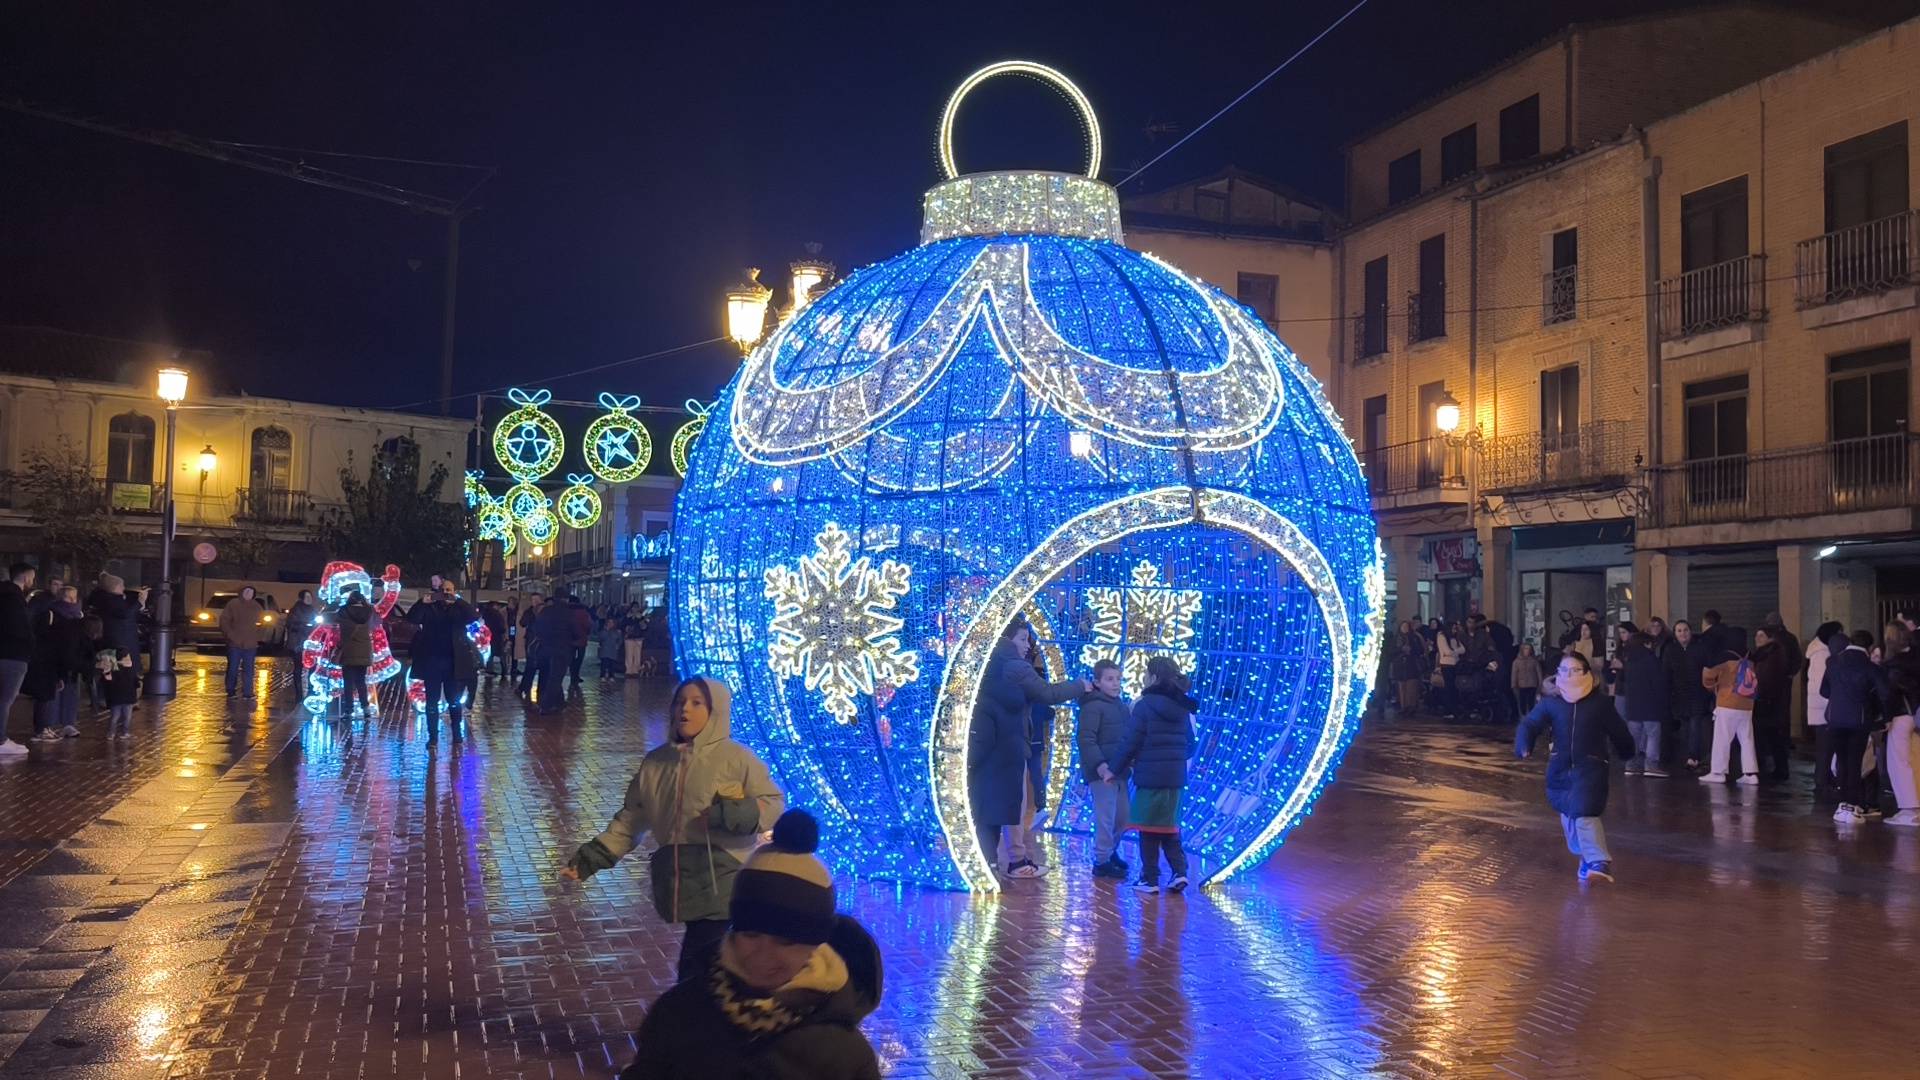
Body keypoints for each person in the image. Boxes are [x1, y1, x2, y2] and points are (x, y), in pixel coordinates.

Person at [619, 809, 882, 1080]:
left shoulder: (844, 1056)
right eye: (751, 935)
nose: (763, 955)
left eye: (786, 941)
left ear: (814, 945)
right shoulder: (679, 1013)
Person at [563, 675, 785, 982]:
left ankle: (694, 1006)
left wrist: (729, 814)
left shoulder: (737, 759)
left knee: (699, 957)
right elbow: (632, 818)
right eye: (680, 702)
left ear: (716, 712)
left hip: (723, 873)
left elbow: (772, 803)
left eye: (697, 703)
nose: (685, 710)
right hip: (679, 875)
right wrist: (591, 858)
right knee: (708, 959)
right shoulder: (656, 763)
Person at [968, 621, 1087, 879]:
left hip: (992, 749)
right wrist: (1080, 685)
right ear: (1008, 639)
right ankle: (1004, 865)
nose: (1027, 645)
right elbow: (1049, 693)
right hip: (1006, 750)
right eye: (1023, 639)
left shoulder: (986, 663)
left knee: (991, 812)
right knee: (1003, 810)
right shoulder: (1015, 667)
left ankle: (992, 865)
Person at [1515, 651, 1635, 883]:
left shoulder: (1599, 704)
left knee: (1584, 811)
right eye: (1564, 670)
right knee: (1569, 814)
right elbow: (1530, 723)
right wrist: (1524, 743)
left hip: (1591, 766)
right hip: (1560, 768)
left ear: (1587, 672)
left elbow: (1618, 730)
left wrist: (1626, 751)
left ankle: (1599, 861)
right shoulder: (1552, 702)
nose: (1569, 675)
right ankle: (1586, 859)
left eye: (1575, 670)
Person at [1110, 655, 1198, 895]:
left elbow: (1131, 741)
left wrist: (1114, 769)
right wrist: (1175, 759)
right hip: (1176, 778)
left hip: (1150, 777)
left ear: (1154, 677)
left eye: (1146, 673)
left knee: (1147, 828)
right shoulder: (1183, 706)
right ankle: (1179, 872)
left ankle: (1149, 878)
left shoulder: (1144, 705)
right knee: (1169, 826)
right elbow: (1191, 744)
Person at [1822, 629, 1892, 824]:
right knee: (1854, 763)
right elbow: (1885, 694)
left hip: (1835, 719)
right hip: (1859, 721)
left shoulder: (1832, 662)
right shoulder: (1870, 667)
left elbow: (1824, 690)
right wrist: (1884, 716)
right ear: (1869, 647)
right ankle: (1852, 806)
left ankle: (1842, 804)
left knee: (1841, 761)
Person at [1076, 658, 1131, 880]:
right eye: (1109, 679)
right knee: (1106, 817)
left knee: (1122, 817)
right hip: (1102, 773)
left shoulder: (1121, 707)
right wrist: (1100, 765)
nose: (1115, 683)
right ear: (1097, 682)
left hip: (1120, 771)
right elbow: (1086, 740)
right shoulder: (1092, 707)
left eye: (1118, 678)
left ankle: (1110, 851)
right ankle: (1101, 860)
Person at [408, 581, 478, 738]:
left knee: (454, 700)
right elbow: (412, 618)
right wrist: (422, 603)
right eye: (442, 590)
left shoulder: (458, 608)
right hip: (432, 661)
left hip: (453, 662)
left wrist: (457, 601)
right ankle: (433, 736)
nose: (445, 593)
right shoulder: (429, 607)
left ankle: (457, 734)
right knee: (432, 701)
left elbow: (473, 616)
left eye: (449, 590)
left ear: (454, 591)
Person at [27, 586, 90, 743]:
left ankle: (68, 723)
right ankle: (49, 724)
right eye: (69, 597)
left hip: (71, 658)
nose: (72, 601)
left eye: (74, 597)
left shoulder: (79, 615)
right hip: (53, 658)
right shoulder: (51, 614)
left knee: (70, 689)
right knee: (53, 692)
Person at [1699, 629, 1760, 785]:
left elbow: (1709, 674)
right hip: (1747, 704)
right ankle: (1750, 774)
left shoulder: (1725, 656)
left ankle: (1718, 772)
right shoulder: (1749, 657)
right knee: (1747, 739)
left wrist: (1711, 686)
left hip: (1727, 703)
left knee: (1722, 738)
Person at [1880, 622, 1920, 827]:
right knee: (1914, 760)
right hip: (1917, 713)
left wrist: (1886, 718)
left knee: (1899, 762)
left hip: (1901, 714)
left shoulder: (1893, 665)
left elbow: (1889, 694)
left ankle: (1909, 809)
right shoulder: (1916, 657)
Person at [1615, 631, 1669, 778]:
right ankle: (1651, 765)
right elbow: (1658, 683)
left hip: (1632, 705)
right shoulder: (1651, 659)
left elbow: (1623, 679)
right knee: (1652, 734)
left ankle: (1631, 765)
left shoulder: (1629, 660)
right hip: (1650, 704)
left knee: (1634, 736)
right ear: (1646, 643)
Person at [1750, 626, 1796, 783]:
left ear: (1770, 638)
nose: (1757, 638)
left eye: (1761, 635)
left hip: (1769, 702)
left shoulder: (1771, 655)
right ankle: (1775, 768)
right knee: (1771, 737)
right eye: (1757, 635)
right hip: (1768, 702)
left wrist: (1761, 695)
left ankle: (1777, 769)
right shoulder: (1764, 654)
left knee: (1772, 737)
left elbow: (1768, 680)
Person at [0, 563, 36, 757]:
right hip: (14, 655)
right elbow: (21, 628)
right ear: (25, 577)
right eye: (32, 577)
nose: (33, 581)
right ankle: (1, 740)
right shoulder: (15, 598)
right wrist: (29, 646)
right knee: (5, 699)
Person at [1805, 622, 1843, 802]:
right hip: (1823, 708)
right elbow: (1823, 684)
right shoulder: (1822, 654)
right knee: (1825, 748)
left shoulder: (1819, 652)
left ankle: (1824, 779)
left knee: (1825, 747)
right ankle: (1822, 782)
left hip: (1820, 707)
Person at [1675, 619, 1716, 774]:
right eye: (1679, 630)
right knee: (1685, 728)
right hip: (1679, 696)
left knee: (1695, 726)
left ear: (1691, 632)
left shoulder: (1700, 649)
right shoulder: (1672, 650)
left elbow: (1708, 670)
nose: (1683, 633)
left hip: (1698, 694)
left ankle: (1693, 757)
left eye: (1685, 630)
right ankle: (1690, 755)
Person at [86, 573, 142, 680]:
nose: (124, 588)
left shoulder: (105, 599)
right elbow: (125, 614)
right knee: (122, 674)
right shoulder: (111, 601)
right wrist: (139, 602)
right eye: (122, 585)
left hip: (119, 640)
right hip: (119, 642)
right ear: (115, 587)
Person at [218, 585, 267, 699]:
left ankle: (248, 692)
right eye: (247, 592)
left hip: (250, 644)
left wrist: (257, 637)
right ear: (242, 592)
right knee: (233, 668)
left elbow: (263, 623)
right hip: (235, 643)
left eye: (251, 592)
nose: (248, 594)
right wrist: (230, 635)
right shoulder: (233, 604)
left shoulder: (256, 606)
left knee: (249, 669)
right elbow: (224, 621)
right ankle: (231, 690)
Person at [531, 595, 575, 714]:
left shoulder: (546, 612)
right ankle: (546, 705)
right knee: (556, 677)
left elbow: (537, 629)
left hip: (546, 648)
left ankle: (559, 702)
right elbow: (575, 631)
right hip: (562, 648)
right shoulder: (568, 613)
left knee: (552, 676)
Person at [335, 589, 376, 718]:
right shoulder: (369, 611)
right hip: (364, 650)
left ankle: (349, 710)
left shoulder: (344, 611)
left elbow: (335, 621)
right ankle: (366, 708)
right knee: (361, 681)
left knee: (348, 682)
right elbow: (376, 625)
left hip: (349, 649)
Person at [96, 631, 139, 739]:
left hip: (117, 699)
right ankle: (123, 732)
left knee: (115, 716)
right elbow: (135, 682)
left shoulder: (114, 669)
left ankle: (112, 733)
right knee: (125, 717)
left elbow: (108, 681)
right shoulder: (130, 670)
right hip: (127, 698)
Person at [1390, 620, 1427, 714]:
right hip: (1400, 665)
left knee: (1411, 687)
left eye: (1406, 627)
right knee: (1401, 687)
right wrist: (1401, 649)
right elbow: (1392, 651)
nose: (1405, 628)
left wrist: (1411, 650)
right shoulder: (1396, 638)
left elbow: (1420, 650)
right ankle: (1403, 706)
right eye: (1403, 627)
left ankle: (1411, 706)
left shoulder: (1414, 638)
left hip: (1411, 664)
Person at [516, 593, 545, 697]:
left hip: (540, 641)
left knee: (537, 665)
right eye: (533, 600)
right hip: (532, 641)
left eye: (537, 599)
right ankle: (525, 687)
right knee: (531, 665)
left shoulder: (545, 611)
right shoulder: (529, 612)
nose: (535, 602)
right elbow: (522, 623)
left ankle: (528, 688)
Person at [1433, 621, 1464, 719]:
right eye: (1453, 628)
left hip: (1455, 664)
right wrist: (1456, 652)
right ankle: (1449, 710)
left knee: (1454, 687)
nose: (1455, 630)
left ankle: (1454, 709)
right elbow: (1447, 651)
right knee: (1448, 687)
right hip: (1447, 665)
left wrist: (1454, 652)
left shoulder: (1454, 638)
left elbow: (1463, 649)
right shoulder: (1442, 637)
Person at [567, 594, 593, 689]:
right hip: (581, 639)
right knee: (579, 658)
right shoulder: (583, 612)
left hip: (569, 640)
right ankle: (576, 675)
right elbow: (588, 625)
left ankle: (573, 676)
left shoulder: (566, 611)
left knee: (571, 659)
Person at [480, 601, 509, 680]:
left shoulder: (485, 614)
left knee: (490, 655)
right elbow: (501, 627)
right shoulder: (497, 614)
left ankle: (489, 670)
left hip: (488, 637)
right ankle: (504, 670)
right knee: (501, 654)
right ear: (494, 606)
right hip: (497, 637)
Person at [1512, 642, 1542, 716]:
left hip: (1532, 685)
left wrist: (1540, 685)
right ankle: (1524, 717)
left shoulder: (1534, 661)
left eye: (1529, 649)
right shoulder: (1516, 662)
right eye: (1525, 648)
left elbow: (1539, 673)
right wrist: (1513, 685)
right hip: (1521, 686)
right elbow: (1514, 674)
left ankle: (1530, 717)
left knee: (1531, 703)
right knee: (1522, 704)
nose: (1527, 650)